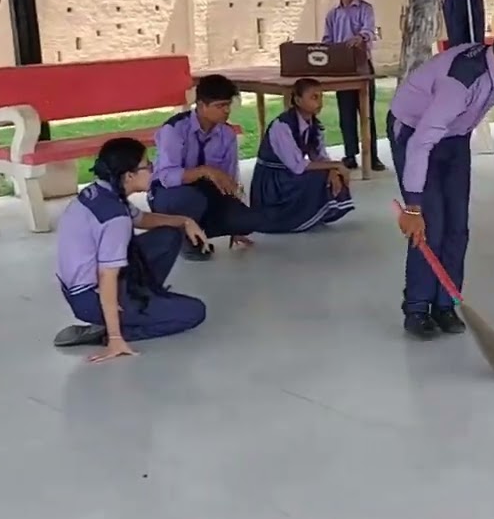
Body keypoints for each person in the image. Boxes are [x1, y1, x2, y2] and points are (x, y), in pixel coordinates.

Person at [390, 13, 494, 338]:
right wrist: (413, 206)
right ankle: (418, 309)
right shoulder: (461, 82)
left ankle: (445, 304)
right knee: (429, 227)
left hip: (454, 138)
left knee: (457, 228)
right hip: (415, 134)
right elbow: (421, 142)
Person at [52, 138, 209, 361]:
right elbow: (107, 276)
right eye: (147, 166)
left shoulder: (103, 191)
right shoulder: (114, 217)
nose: (152, 170)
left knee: (168, 235)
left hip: (90, 288)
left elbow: (142, 218)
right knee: (194, 312)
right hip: (91, 297)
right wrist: (116, 338)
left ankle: (144, 304)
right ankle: (111, 332)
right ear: (129, 176)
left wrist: (184, 220)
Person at [148, 74, 261, 261]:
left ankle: (201, 230)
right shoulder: (174, 129)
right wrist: (205, 171)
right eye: (220, 106)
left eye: (228, 105)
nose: (226, 111)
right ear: (201, 105)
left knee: (248, 220)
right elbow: (167, 176)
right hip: (170, 193)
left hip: (205, 192)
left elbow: (228, 177)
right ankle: (183, 237)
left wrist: (235, 217)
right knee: (190, 200)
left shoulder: (227, 134)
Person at [250, 78, 355, 232]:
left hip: (287, 176)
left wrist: (333, 170)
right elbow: (298, 166)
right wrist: (336, 165)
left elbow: (320, 157)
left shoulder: (314, 125)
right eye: (314, 97)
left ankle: (313, 214)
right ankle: (289, 218)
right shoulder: (282, 126)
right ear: (298, 100)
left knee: (332, 174)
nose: (319, 102)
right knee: (319, 177)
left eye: (321, 97)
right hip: (273, 182)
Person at [323, 0, 384, 172]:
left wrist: (360, 38)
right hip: (342, 69)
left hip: (362, 66)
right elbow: (327, 40)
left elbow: (369, 30)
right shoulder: (332, 15)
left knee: (366, 114)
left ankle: (373, 156)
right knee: (346, 113)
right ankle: (350, 155)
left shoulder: (365, 8)